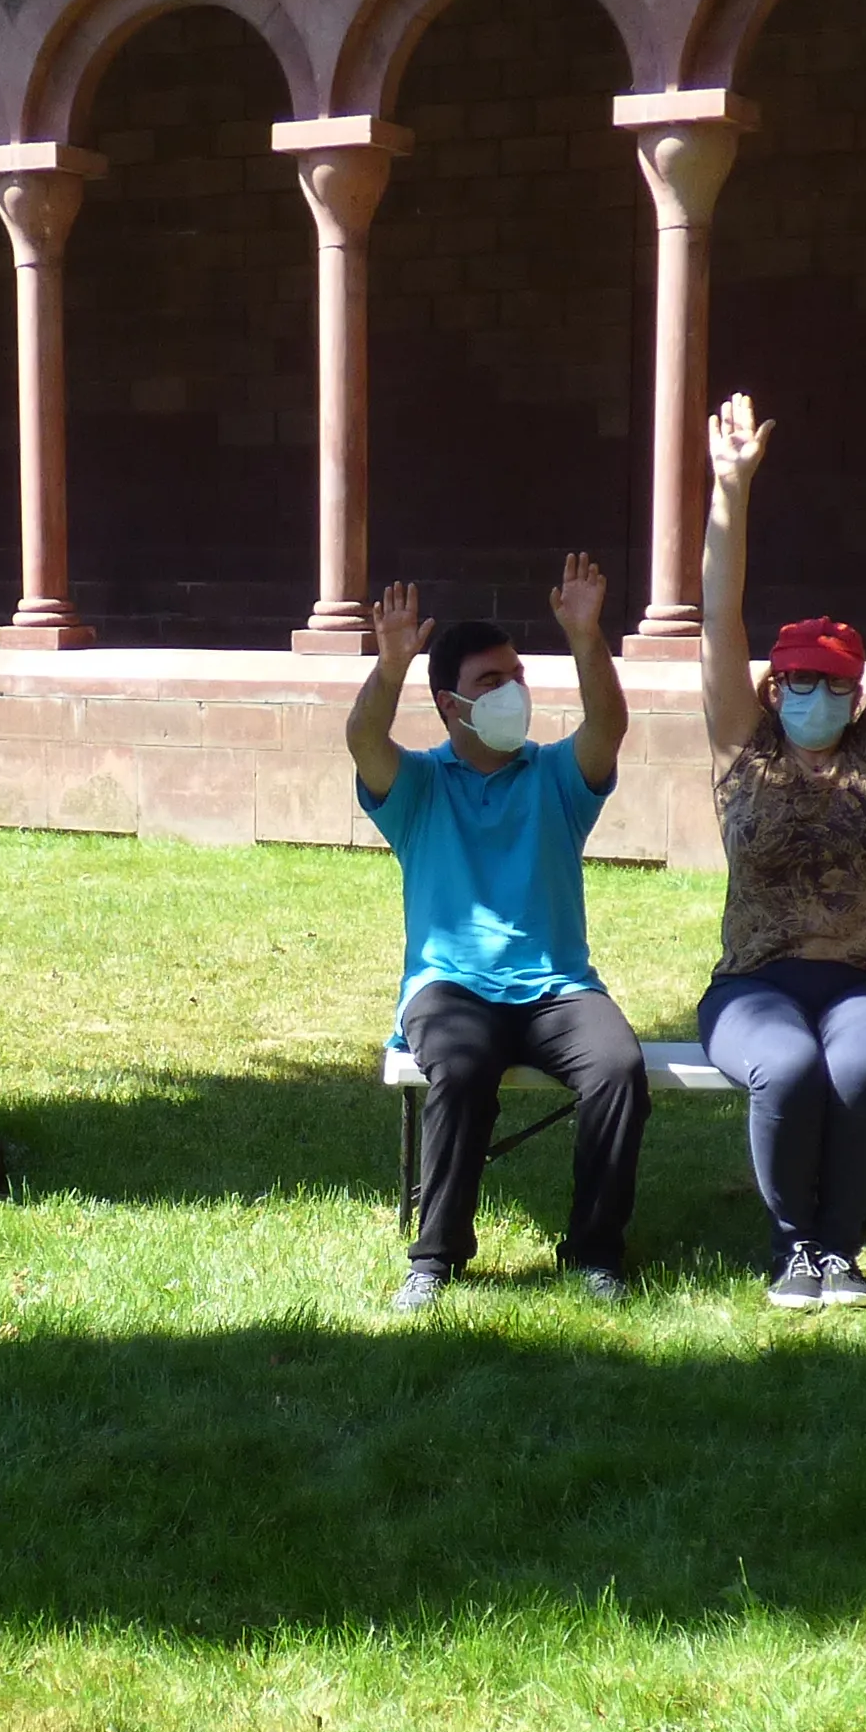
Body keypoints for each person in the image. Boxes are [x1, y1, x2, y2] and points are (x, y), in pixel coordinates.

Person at [688, 394, 866, 1311]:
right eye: (798, 679)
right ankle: (792, 1248)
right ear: (774, 684)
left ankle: (838, 1251)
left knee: (859, 1063)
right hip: (753, 985)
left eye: (835, 682)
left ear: (855, 689)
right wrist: (731, 490)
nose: (816, 695)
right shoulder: (742, 745)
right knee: (789, 1066)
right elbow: (718, 619)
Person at [351, 561, 640, 1310]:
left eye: (516, 675)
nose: (512, 692)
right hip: (451, 990)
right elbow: (362, 740)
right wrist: (389, 668)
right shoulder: (418, 786)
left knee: (617, 1069)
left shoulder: (556, 778)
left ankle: (595, 1251)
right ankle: (437, 1258)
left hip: (558, 988)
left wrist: (585, 637)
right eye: (490, 681)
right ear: (450, 705)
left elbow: (608, 725)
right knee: (462, 1068)